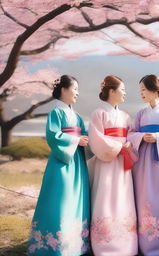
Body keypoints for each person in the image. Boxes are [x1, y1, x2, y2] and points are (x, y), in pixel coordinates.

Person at [28, 75, 90, 256]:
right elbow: (53, 135)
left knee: (77, 199)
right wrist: (77, 140)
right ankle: (54, 246)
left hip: (76, 160)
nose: (77, 92)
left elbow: (84, 134)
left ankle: (74, 244)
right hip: (62, 162)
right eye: (75, 88)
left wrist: (85, 140)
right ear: (63, 89)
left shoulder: (76, 116)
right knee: (60, 200)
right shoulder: (56, 112)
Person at [128, 74, 159, 256]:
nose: (141, 93)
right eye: (140, 90)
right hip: (142, 161)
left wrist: (158, 137)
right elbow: (131, 133)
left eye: (143, 89)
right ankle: (143, 244)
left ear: (155, 90)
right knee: (143, 198)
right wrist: (141, 137)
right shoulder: (141, 113)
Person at [88, 75, 138, 256]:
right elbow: (96, 139)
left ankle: (126, 244)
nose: (125, 93)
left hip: (122, 162)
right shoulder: (98, 114)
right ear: (111, 91)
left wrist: (129, 144)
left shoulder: (125, 116)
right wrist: (119, 146)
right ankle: (105, 244)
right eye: (122, 90)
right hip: (107, 162)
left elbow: (131, 135)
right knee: (106, 197)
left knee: (123, 198)